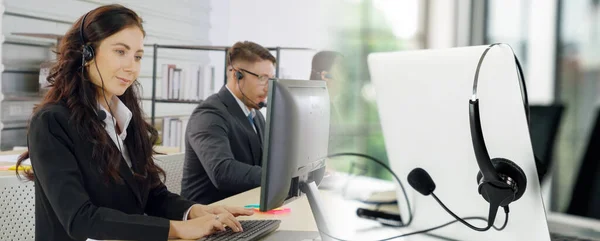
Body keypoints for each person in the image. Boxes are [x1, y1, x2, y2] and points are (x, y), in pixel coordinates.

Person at [15, 5, 253, 241]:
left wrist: (196, 212)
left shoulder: (125, 116)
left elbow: (151, 194)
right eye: (120, 52)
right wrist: (178, 229)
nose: (132, 67)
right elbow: (80, 219)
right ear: (86, 53)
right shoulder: (51, 122)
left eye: (137, 56)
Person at [182, 41, 276, 204]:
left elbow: (264, 162)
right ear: (236, 75)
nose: (268, 88)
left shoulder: (255, 115)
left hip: (243, 208)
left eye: (272, 80)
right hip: (209, 218)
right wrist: (278, 176)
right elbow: (222, 172)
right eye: (262, 78)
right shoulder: (209, 114)